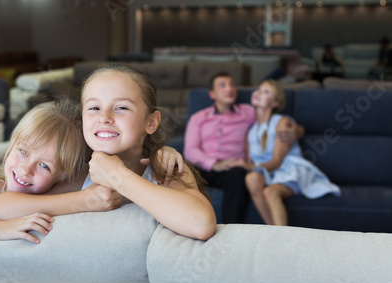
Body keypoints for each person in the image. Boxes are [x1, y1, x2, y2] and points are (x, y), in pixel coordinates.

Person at [0, 98, 184, 243]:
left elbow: (129, 165)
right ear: (12, 142)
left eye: (45, 165)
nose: (24, 169)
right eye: (22, 150)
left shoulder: (74, 180)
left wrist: (161, 153)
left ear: (65, 174)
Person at [81, 63, 216, 240]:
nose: (104, 117)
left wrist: (117, 176)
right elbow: (31, 201)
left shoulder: (166, 171)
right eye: (94, 108)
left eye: (121, 107)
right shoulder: (74, 172)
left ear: (151, 122)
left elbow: (201, 224)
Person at [183, 72, 303, 224]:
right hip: (205, 167)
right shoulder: (198, 118)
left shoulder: (249, 112)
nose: (229, 89)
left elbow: (274, 119)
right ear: (212, 94)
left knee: (239, 174)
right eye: (223, 85)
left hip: (231, 169)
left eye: (232, 84)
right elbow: (190, 150)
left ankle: (231, 230)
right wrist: (214, 164)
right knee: (180, 169)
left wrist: (297, 131)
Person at [231, 80, 341, 226]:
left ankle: (281, 237)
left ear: (275, 103)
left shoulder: (281, 123)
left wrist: (248, 166)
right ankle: (274, 232)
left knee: (270, 192)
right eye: (259, 89)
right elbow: (250, 162)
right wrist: (245, 165)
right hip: (267, 172)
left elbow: (277, 161)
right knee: (251, 179)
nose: (258, 92)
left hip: (287, 169)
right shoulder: (250, 131)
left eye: (266, 91)